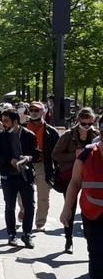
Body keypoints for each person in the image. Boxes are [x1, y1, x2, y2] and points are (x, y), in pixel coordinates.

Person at [60, 139, 103, 279]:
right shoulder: (86, 155)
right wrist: (66, 209)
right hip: (92, 214)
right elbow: (75, 183)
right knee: (97, 255)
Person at [53, 107, 98, 254]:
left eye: (90, 123)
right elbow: (55, 154)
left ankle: (90, 241)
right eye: (84, 123)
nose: (87, 126)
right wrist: (76, 155)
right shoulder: (68, 135)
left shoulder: (96, 135)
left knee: (88, 206)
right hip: (70, 176)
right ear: (78, 121)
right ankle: (68, 240)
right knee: (70, 207)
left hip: (90, 177)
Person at [0, 109, 39, 248]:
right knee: (9, 206)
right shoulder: (1, 136)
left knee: (29, 206)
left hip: (25, 176)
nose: (3, 124)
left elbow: (36, 154)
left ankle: (27, 234)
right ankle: (11, 235)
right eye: (2, 120)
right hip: (9, 176)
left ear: (16, 122)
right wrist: (9, 161)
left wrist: (28, 158)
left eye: (6, 121)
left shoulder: (29, 135)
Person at [24, 101, 60, 232]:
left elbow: (57, 152)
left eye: (37, 110)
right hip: (25, 164)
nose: (33, 112)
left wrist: (57, 169)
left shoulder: (51, 131)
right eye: (31, 110)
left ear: (42, 112)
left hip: (43, 165)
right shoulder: (22, 128)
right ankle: (22, 211)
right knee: (22, 195)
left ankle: (40, 223)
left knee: (43, 196)